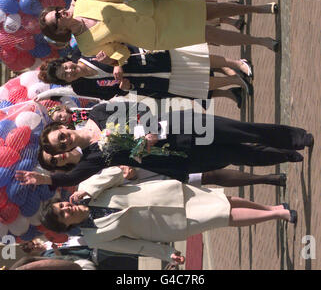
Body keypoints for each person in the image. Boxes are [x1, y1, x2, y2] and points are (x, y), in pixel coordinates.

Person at [15, 101, 313, 188]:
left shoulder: (98, 113)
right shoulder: (94, 157)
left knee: (239, 131)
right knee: (235, 154)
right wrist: (45, 179)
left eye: (61, 136)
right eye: (60, 147)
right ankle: (284, 155)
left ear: (64, 127)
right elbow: (73, 177)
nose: (64, 142)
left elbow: (138, 110)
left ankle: (295, 137)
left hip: (181, 127)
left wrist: (144, 131)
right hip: (176, 158)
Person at [39, 167, 297, 265]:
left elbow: (117, 173)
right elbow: (134, 246)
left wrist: (87, 189)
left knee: (223, 200)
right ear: (65, 225)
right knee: (223, 216)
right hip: (167, 225)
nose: (66, 208)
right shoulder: (94, 238)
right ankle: (279, 215)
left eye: (62, 206)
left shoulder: (89, 192)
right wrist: (166, 254)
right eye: (62, 214)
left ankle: (273, 209)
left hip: (168, 194)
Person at [39, 0, 280, 67]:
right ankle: (260, 41)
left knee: (211, 11)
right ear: (59, 29)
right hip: (156, 35)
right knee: (209, 35)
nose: (62, 13)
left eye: (58, 11)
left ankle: (258, 9)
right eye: (57, 18)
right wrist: (112, 60)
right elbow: (122, 52)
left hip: (154, 7)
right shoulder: (86, 47)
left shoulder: (80, 2)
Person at [37, 44, 252, 105]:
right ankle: (234, 81)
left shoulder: (84, 50)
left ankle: (237, 64)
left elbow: (118, 43)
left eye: (65, 68)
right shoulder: (81, 88)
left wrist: (115, 60)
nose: (69, 72)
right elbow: (112, 96)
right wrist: (125, 88)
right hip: (145, 83)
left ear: (66, 61)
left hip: (145, 59)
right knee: (193, 85)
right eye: (65, 76)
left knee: (194, 61)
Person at [37, 145, 287, 188]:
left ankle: (271, 157)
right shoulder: (82, 175)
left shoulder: (85, 140)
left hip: (158, 153)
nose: (58, 157)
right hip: (145, 181)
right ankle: (265, 179)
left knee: (219, 159)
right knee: (211, 176)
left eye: (54, 154)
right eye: (54, 162)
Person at [20, 236, 139, 270]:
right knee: (129, 259)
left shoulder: (48, 240)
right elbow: (63, 261)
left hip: (94, 245)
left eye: (33, 243)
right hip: (92, 256)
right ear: (32, 253)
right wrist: (56, 249)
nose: (36, 246)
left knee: (129, 250)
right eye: (33, 248)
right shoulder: (45, 256)